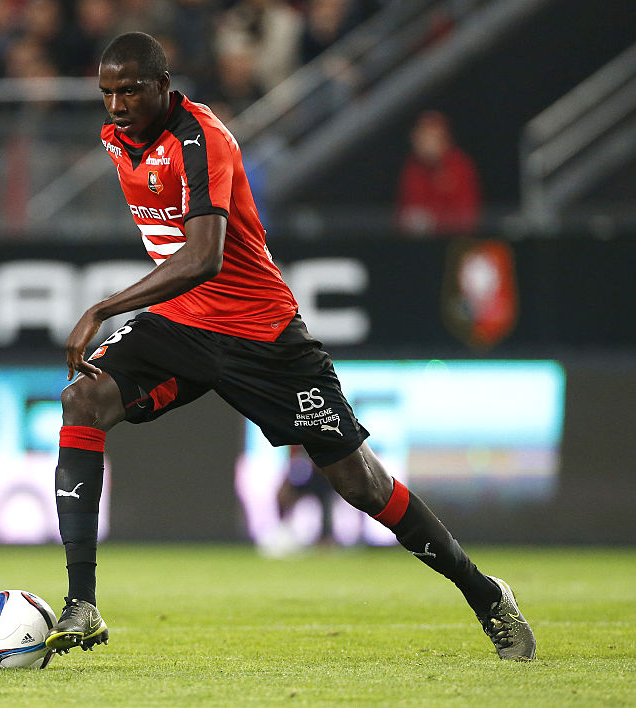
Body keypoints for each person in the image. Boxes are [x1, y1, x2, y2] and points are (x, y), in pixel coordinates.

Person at [44, 31, 535, 662]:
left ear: (164, 85)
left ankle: (485, 593)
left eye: (130, 90)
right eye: (107, 92)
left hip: (261, 335)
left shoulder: (202, 139)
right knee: (82, 399)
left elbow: (203, 256)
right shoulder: (118, 138)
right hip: (180, 327)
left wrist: (102, 309)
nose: (116, 105)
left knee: (360, 484)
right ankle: (81, 604)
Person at [395, 110, 481, 236]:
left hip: (455, 240)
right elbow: (405, 212)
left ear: (443, 139)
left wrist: (434, 220)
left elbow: (468, 215)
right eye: (420, 137)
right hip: (419, 242)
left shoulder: (460, 165)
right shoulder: (412, 168)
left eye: (429, 137)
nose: (423, 142)